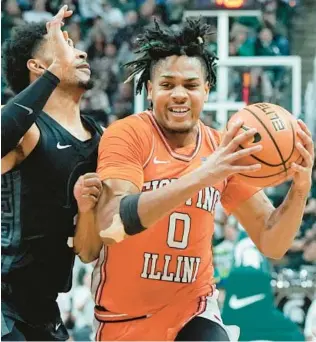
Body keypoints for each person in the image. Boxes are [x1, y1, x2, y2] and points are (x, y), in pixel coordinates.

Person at [76, 18, 314, 341]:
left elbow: (272, 241)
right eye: (167, 84)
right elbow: (111, 223)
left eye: (190, 85)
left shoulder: (221, 149)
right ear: (149, 90)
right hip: (124, 319)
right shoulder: (129, 135)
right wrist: (202, 175)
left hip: (194, 310)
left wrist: (300, 190)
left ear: (206, 90)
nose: (179, 95)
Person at [1, 6, 103, 341]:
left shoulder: (100, 137)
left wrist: (87, 211)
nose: (81, 51)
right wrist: (56, 72)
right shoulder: (25, 129)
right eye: (66, 44)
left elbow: (88, 252)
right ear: (38, 66)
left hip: (45, 309)